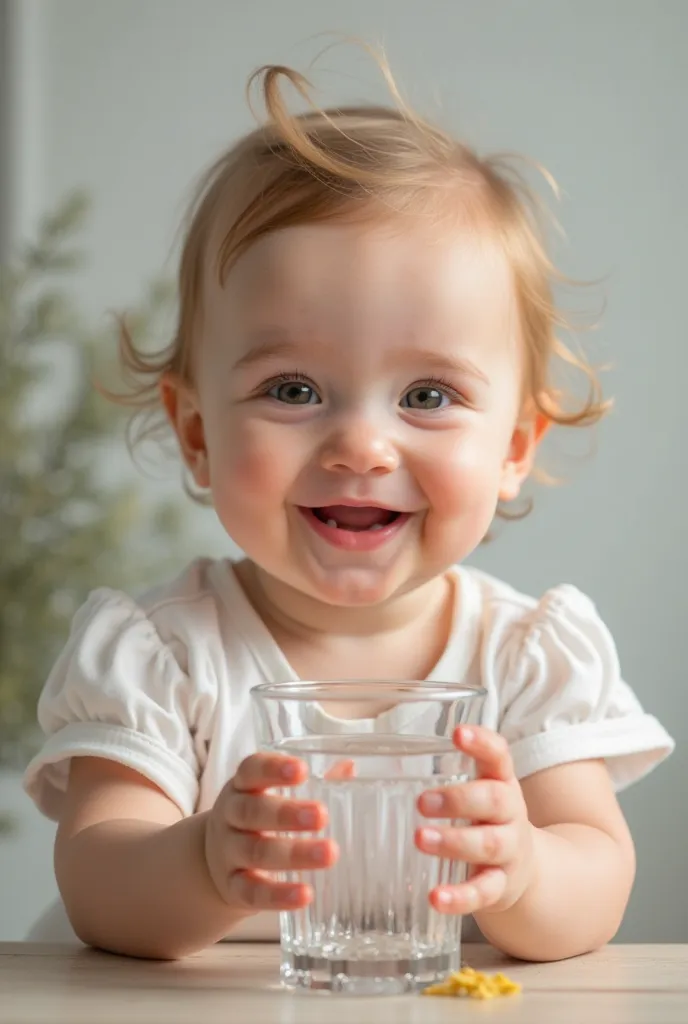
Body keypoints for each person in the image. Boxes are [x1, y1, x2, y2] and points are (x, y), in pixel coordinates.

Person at [23, 52, 673, 963]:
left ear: (516, 448)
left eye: (429, 396)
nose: (362, 447)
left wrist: (525, 868)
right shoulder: (164, 653)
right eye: (292, 389)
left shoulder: (524, 657)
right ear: (199, 434)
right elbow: (98, 881)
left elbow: (597, 883)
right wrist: (203, 862)